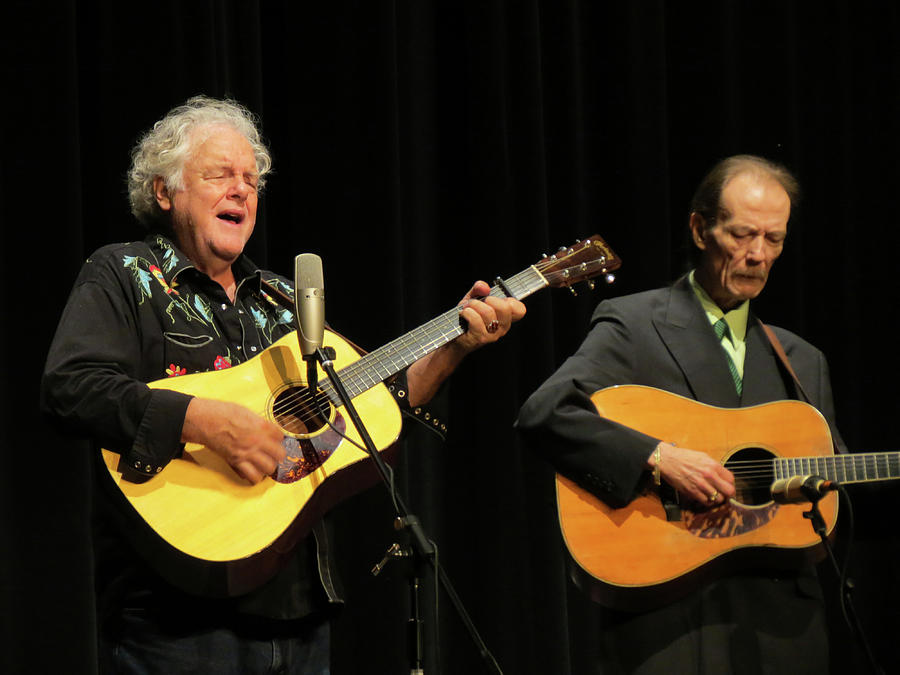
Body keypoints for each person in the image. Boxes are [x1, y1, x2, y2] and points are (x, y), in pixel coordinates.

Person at [41, 95, 525, 674]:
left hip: (299, 612)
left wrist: (456, 345)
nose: (241, 190)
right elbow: (70, 387)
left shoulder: (283, 300)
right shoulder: (123, 274)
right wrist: (204, 421)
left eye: (251, 178)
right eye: (219, 174)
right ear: (165, 193)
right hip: (176, 618)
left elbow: (377, 402)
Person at [516, 155, 846, 673]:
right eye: (741, 235)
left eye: (774, 239)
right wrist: (656, 456)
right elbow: (546, 412)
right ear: (700, 228)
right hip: (670, 622)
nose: (758, 255)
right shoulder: (635, 323)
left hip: (783, 629)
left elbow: (841, 480)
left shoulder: (803, 360)